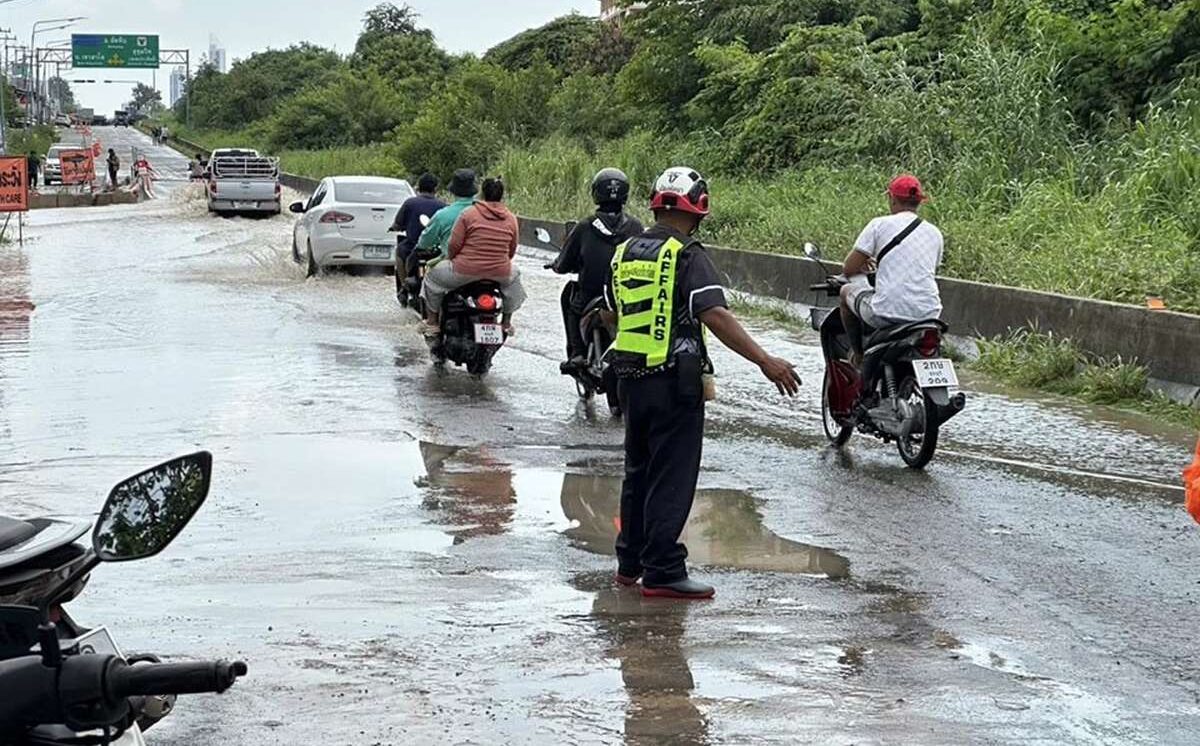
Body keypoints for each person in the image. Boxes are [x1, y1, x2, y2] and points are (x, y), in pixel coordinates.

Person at [604, 167, 802, 600]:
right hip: (675, 382)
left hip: (630, 379)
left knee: (638, 473)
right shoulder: (687, 255)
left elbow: (608, 312)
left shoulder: (624, 253)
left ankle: (629, 564)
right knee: (671, 477)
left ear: (657, 203)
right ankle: (663, 571)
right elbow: (715, 313)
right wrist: (765, 361)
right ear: (700, 208)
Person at [838, 174, 945, 368]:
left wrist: (864, 264)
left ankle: (859, 355)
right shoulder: (934, 233)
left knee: (845, 292)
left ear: (892, 198)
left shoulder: (879, 225)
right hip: (929, 316)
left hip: (888, 314)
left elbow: (849, 268)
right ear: (919, 202)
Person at [551, 168, 644, 373]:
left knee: (570, 298)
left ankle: (577, 353)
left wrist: (557, 265)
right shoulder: (636, 227)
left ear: (596, 193)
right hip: (625, 296)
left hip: (591, 294)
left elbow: (564, 263)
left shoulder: (585, 226)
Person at [421, 177, 526, 335]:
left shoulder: (468, 214)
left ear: (482, 193)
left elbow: (454, 245)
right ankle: (506, 323)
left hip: (464, 271)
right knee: (515, 277)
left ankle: (432, 322)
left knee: (431, 278)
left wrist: (453, 259)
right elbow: (511, 250)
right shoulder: (511, 218)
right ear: (502, 196)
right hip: (500, 273)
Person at [391, 172, 446, 303]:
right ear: (435, 189)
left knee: (399, 252)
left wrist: (395, 227)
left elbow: (397, 224)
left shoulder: (409, 203)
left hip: (413, 246)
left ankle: (404, 287)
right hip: (436, 249)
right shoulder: (443, 206)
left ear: (418, 188)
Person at [414, 168, 478, 259]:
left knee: (433, 272)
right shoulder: (485, 212)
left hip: (455, 265)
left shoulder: (442, 215)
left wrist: (419, 246)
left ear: (453, 191)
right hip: (487, 265)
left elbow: (425, 241)